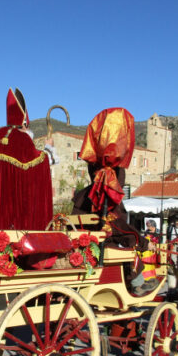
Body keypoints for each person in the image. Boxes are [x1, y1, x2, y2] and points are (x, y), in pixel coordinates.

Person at [71, 108, 153, 294]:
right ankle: (136, 283)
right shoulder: (107, 197)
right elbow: (120, 228)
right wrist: (143, 241)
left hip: (81, 247)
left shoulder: (82, 197)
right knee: (127, 247)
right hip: (99, 250)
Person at [0, 88, 57, 232]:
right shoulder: (21, 139)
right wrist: (48, 148)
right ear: (24, 124)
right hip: (21, 217)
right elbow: (37, 163)